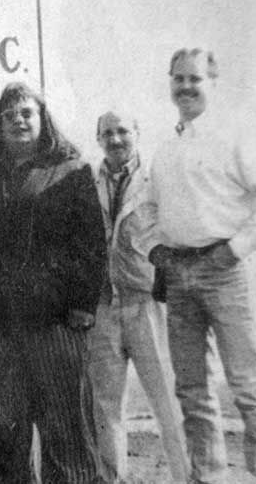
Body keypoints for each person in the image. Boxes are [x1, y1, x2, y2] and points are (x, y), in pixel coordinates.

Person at [148, 48, 256, 483]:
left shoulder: (234, 137)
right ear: (169, 83)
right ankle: (206, 477)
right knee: (192, 392)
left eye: (195, 79)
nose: (186, 87)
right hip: (178, 277)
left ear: (213, 83)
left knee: (247, 384)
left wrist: (234, 249)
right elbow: (150, 211)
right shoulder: (167, 148)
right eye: (179, 79)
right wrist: (157, 250)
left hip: (223, 272)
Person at [0, 82, 105, 483]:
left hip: (54, 324)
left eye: (27, 113)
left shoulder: (72, 172)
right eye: (9, 115)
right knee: (4, 432)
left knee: (66, 430)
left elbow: (91, 245)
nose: (18, 121)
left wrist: (82, 306)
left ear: (43, 119)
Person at [87, 110, 188, 482]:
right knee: (106, 411)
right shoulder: (87, 183)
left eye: (123, 131)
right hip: (104, 309)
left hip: (146, 305)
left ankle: (187, 477)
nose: (116, 140)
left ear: (137, 132)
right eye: (107, 133)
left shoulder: (155, 180)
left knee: (168, 404)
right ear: (98, 138)